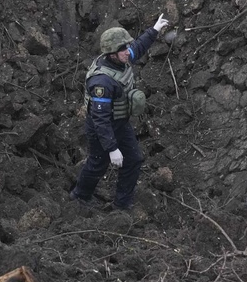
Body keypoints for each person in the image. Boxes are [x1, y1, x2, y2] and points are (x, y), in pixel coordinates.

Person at [70, 13, 172, 212]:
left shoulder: (121, 58)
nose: (128, 52)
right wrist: (111, 148)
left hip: (120, 122)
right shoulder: (102, 82)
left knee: (133, 159)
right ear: (112, 53)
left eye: (126, 47)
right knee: (98, 164)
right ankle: (79, 196)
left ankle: (121, 205)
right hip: (102, 128)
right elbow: (100, 120)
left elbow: (139, 47)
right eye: (123, 49)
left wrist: (155, 30)